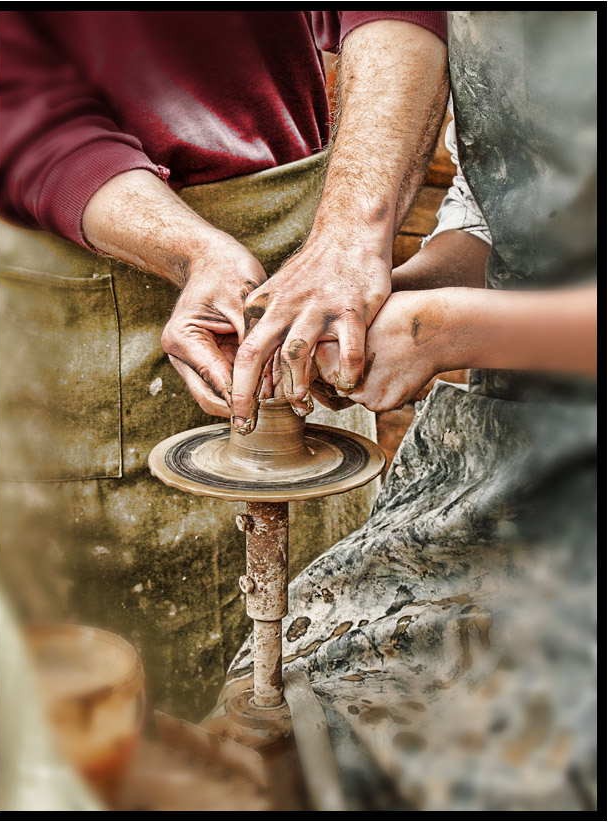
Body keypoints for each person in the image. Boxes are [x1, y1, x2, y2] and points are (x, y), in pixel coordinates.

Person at [0, 11, 449, 720]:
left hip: (311, 221)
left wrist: (350, 235)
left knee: (321, 705)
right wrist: (191, 251)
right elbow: (15, 98)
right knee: (111, 731)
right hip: (77, 248)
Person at [225, 10, 597, 811]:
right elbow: (512, 212)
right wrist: (405, 292)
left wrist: (450, 330)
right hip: (521, 442)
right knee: (290, 706)